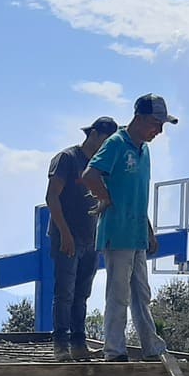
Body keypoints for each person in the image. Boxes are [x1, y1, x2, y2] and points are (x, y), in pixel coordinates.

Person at [80, 94, 176, 362]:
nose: (158, 130)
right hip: (117, 232)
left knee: (141, 294)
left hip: (136, 233)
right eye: (156, 123)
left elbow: (137, 195)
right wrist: (106, 198)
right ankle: (115, 350)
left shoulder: (144, 150)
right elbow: (90, 175)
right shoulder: (117, 143)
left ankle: (152, 347)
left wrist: (148, 229)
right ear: (140, 117)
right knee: (118, 293)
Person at [45, 117, 118, 360]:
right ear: (94, 134)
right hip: (67, 235)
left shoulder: (100, 165)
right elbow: (52, 197)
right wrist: (64, 233)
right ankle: (61, 344)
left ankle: (79, 343)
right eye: (105, 140)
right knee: (64, 292)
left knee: (82, 293)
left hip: (91, 238)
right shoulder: (67, 158)